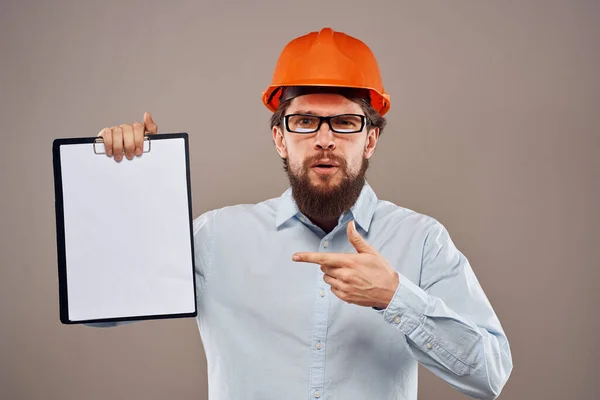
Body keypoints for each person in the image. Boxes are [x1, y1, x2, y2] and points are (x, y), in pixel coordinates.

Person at [96, 27, 512, 400]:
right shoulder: (216, 237)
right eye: (306, 121)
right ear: (280, 138)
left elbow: (490, 375)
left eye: (345, 122)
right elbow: (100, 305)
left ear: (370, 140)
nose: (325, 140)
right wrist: (130, 182)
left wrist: (395, 297)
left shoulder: (421, 240)